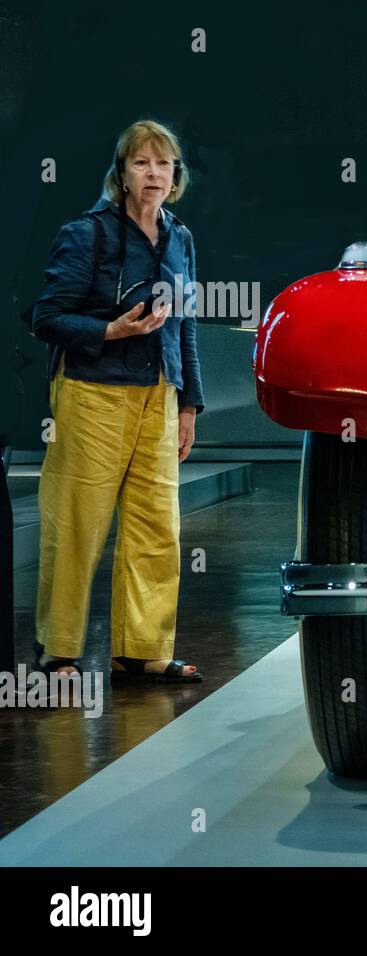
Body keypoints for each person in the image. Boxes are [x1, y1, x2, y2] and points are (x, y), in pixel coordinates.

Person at [30, 119, 204, 683]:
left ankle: (142, 651)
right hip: (92, 394)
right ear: (122, 174)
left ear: (175, 175)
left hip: (159, 395)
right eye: (142, 163)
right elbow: (47, 318)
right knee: (77, 523)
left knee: (157, 529)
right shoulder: (87, 234)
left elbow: (185, 326)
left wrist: (187, 405)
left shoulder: (180, 237)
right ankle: (58, 652)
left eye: (164, 163)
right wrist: (111, 332)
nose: (154, 173)